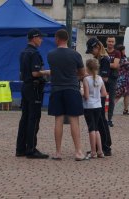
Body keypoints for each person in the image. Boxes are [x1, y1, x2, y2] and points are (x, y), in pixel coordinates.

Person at [47, 29, 88, 161]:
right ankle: (78, 152)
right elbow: (82, 73)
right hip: (72, 89)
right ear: (68, 39)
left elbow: (54, 71)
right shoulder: (75, 54)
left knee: (58, 120)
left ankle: (58, 152)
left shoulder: (51, 55)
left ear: (57, 38)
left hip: (56, 89)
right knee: (74, 120)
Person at [16, 29, 50, 159]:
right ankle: (31, 149)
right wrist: (48, 72)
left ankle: (20, 148)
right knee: (34, 118)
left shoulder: (23, 52)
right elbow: (35, 73)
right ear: (34, 38)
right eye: (40, 38)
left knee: (25, 117)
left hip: (25, 86)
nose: (41, 40)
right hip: (34, 88)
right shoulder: (34, 53)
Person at [86, 37, 112, 156]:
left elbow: (105, 78)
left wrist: (91, 76)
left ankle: (106, 145)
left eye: (92, 50)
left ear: (97, 47)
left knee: (102, 120)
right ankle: (98, 145)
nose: (91, 53)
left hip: (100, 93)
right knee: (98, 121)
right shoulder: (97, 58)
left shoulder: (105, 59)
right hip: (98, 93)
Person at [82, 59, 107, 159]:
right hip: (98, 106)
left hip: (88, 106)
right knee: (96, 128)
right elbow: (104, 93)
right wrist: (96, 96)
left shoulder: (86, 80)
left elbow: (86, 96)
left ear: (87, 68)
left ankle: (93, 151)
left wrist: (81, 93)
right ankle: (100, 151)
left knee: (91, 128)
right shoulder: (100, 78)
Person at [106, 36, 121, 127]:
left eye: (112, 41)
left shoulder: (117, 52)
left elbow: (115, 65)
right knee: (100, 98)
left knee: (111, 99)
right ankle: (100, 117)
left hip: (112, 78)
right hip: (102, 77)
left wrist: (104, 63)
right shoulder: (102, 51)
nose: (110, 43)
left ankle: (109, 119)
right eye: (109, 41)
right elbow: (97, 63)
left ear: (114, 43)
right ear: (106, 42)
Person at [115, 45, 129, 115]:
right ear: (121, 51)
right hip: (124, 79)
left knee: (125, 94)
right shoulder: (123, 60)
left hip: (119, 78)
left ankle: (126, 110)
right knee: (120, 94)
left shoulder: (116, 58)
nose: (124, 51)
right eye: (124, 50)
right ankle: (108, 108)